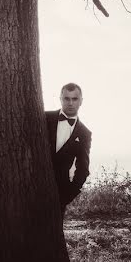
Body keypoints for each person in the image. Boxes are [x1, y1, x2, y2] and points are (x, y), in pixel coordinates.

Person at [45, 83, 92, 214]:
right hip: (29, 186)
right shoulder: (44, 118)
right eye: (66, 98)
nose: (70, 103)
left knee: (53, 231)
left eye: (75, 99)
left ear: (81, 101)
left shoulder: (84, 133)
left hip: (59, 192)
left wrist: (67, 196)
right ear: (60, 99)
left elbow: (83, 168)